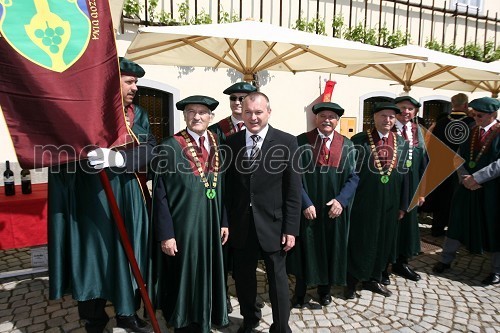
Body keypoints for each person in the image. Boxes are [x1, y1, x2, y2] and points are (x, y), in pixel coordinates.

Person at [48, 58, 155, 333]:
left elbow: (150, 148)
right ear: (111, 79)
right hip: (92, 199)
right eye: (129, 81)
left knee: (129, 252)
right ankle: (94, 317)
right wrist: (83, 159)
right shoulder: (82, 110)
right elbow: (61, 151)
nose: (135, 88)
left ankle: (127, 313)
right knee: (93, 254)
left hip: (127, 197)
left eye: (136, 83)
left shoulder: (137, 114)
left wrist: (116, 158)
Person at [224, 91, 301, 333]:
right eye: (248, 112)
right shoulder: (232, 143)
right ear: (241, 113)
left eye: (258, 112)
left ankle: (281, 326)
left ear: (269, 112)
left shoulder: (288, 142)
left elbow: (293, 191)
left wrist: (291, 229)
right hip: (242, 225)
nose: (253, 117)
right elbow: (227, 190)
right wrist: (226, 221)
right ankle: (250, 320)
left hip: (275, 225)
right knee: (244, 278)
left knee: (278, 280)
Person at [152, 95, 229, 332]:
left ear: (210, 117)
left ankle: (208, 313)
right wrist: (166, 234)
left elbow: (224, 188)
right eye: (191, 112)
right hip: (182, 227)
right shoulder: (168, 147)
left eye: (202, 112)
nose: (197, 116)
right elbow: (159, 195)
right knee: (184, 273)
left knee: (212, 270)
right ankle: (183, 320)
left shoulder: (218, 144)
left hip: (212, 224)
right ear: (184, 116)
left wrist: (224, 221)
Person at [287, 102, 358, 308]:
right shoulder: (300, 142)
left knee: (330, 249)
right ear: (315, 118)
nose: (327, 120)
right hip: (307, 209)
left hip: (333, 210)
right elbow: (292, 177)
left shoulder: (348, 145)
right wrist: (305, 203)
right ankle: (299, 293)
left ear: (337, 121)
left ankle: (324, 291)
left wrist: (341, 201)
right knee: (304, 251)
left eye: (332, 117)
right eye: (323, 116)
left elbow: (354, 177)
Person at [433, 97, 500, 285]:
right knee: (457, 221)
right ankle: (445, 260)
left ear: (492, 114)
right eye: (474, 114)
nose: (475, 118)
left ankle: (497, 270)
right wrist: (464, 178)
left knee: (493, 226)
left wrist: (477, 178)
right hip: (466, 186)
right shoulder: (471, 131)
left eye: (479, 115)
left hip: (491, 190)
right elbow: (458, 157)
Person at [345, 102, 409, 299]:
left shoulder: (402, 144)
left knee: (383, 241)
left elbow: (406, 175)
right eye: (383, 115)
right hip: (364, 201)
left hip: (390, 203)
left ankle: (374, 278)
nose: (387, 120)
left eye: (391, 117)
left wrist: (403, 205)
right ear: (374, 117)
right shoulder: (358, 141)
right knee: (361, 240)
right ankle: (351, 281)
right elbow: (349, 172)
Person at [208, 81, 257, 314]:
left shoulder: (257, 126)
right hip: (225, 198)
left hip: (250, 203)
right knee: (224, 251)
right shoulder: (217, 130)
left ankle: (247, 293)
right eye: (233, 99)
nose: (237, 102)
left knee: (246, 252)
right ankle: (224, 295)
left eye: (242, 98)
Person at [386, 96, 427, 284]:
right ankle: (384, 263)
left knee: (408, 227)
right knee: (389, 225)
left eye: (410, 109)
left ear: (415, 112)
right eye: (402, 108)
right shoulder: (386, 129)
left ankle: (401, 262)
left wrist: (421, 192)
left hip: (412, 186)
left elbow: (424, 165)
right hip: (392, 185)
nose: (406, 112)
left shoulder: (417, 131)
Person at [426, 93, 475, 237]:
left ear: (452, 104)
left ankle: (437, 228)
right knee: (458, 199)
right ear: (466, 105)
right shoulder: (471, 122)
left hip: (440, 165)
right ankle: (456, 230)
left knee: (441, 197)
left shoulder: (440, 122)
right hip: (462, 167)